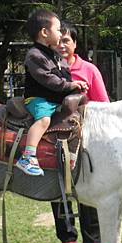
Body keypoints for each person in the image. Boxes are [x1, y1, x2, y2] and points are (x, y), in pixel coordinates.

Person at [52, 21, 109, 243]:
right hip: (54, 136)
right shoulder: (48, 69)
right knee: (58, 187)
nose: (62, 45)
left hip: (85, 140)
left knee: (85, 186)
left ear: (75, 44)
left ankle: (94, 242)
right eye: (59, 40)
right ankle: (67, 237)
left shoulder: (89, 70)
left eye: (67, 40)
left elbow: (103, 104)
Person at [16, 9, 88, 176]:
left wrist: (76, 85)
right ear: (44, 33)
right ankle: (28, 156)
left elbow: (65, 75)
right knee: (44, 120)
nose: (60, 33)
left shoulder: (55, 56)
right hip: (38, 99)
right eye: (57, 30)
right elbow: (49, 80)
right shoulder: (35, 55)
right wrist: (69, 86)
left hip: (52, 99)